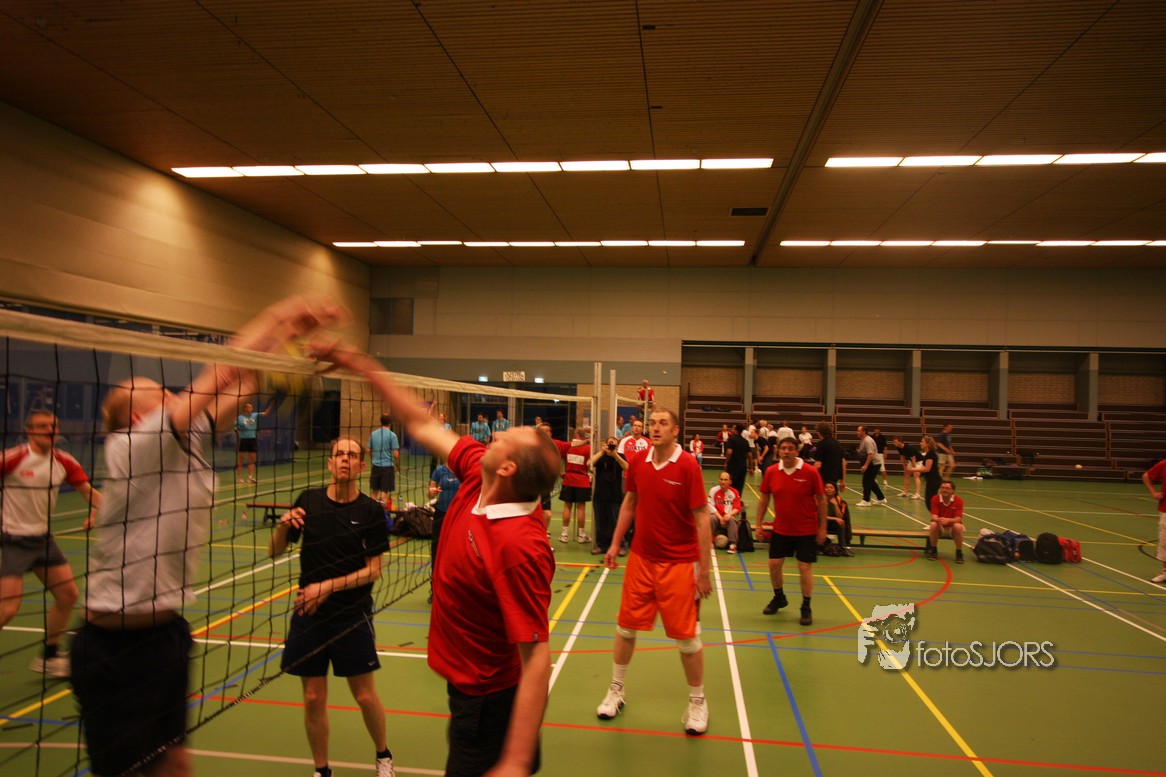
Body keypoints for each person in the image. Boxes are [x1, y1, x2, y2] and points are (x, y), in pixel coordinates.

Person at [71, 296, 342, 777]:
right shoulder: (133, 446)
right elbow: (221, 371)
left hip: (165, 636)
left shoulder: (184, 441)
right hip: (115, 649)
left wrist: (288, 352)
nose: (172, 394)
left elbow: (244, 383)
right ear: (138, 418)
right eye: (159, 393)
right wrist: (280, 316)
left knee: (175, 764)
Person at [318, 343, 558, 777]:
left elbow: (537, 656)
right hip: (465, 686)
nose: (497, 434)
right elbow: (421, 422)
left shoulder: (520, 545)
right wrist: (361, 365)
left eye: (507, 437)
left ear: (507, 469)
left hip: (489, 702)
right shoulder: (477, 473)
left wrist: (515, 760)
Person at [268, 436, 396, 777]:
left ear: (361, 466)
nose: (344, 459)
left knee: (365, 696)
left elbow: (374, 571)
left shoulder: (370, 511)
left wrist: (326, 586)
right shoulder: (309, 501)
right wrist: (282, 526)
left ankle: (383, 755)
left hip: (351, 615)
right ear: (330, 463)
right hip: (309, 614)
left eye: (352, 455)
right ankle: (322, 770)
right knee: (312, 698)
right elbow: (274, 551)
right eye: (339, 454)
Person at [596, 408, 711, 736]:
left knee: (687, 639)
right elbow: (630, 503)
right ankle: (616, 690)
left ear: (675, 430)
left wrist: (704, 571)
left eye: (663, 423)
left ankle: (698, 701)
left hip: (680, 563)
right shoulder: (638, 461)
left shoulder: (687, 465)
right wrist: (614, 543)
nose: (656, 428)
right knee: (625, 628)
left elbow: (702, 518)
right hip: (641, 560)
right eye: (653, 423)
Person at [1, 410, 102, 678]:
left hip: (44, 541)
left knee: (68, 595)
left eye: (53, 426)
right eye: (42, 426)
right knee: (8, 609)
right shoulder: (14, 458)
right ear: (29, 431)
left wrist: (96, 512)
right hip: (13, 540)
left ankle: (49, 657)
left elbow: (90, 494)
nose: (49, 430)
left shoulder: (64, 461)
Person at [756, 437, 827, 626]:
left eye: (790, 448)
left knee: (804, 567)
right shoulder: (771, 472)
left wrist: (822, 528)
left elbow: (821, 500)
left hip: (806, 529)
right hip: (781, 529)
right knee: (774, 564)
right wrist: (759, 524)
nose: (786, 451)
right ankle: (779, 597)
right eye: (783, 448)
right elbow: (764, 498)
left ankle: (806, 606)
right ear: (778, 451)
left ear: (797, 451)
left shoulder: (810, 472)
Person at [428, 456, 461, 602]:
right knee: (437, 551)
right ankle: (434, 589)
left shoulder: (462, 470)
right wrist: (433, 491)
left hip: (459, 514)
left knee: (457, 552)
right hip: (441, 514)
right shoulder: (439, 471)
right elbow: (429, 492)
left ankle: (455, 589)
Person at [590, 437, 627, 556]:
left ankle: (621, 546)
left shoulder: (620, 456)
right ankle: (602, 546)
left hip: (615, 496)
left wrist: (615, 455)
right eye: (609, 443)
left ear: (617, 446)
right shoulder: (601, 456)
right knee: (601, 524)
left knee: (617, 523)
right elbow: (589, 464)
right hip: (599, 495)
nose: (611, 446)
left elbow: (628, 468)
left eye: (613, 444)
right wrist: (601, 452)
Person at [556, 427, 592, 544]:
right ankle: (581, 535)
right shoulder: (588, 448)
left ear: (575, 435)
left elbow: (558, 459)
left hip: (569, 479)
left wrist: (560, 472)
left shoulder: (568, 446)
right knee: (581, 508)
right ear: (584, 436)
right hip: (582, 480)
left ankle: (564, 534)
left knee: (567, 506)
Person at [235, 399, 274, 483]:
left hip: (252, 439)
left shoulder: (255, 415)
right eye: (249, 407)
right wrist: (237, 429)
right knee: (241, 458)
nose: (251, 408)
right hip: (243, 439)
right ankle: (239, 477)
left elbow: (265, 413)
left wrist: (271, 406)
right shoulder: (240, 418)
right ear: (245, 409)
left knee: (252, 458)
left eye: (251, 407)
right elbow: (235, 426)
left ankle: (250, 477)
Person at [927, 480, 965, 563]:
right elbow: (934, 517)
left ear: (953, 491)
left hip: (952, 527)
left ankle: (959, 552)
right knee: (933, 524)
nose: (944, 490)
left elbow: (958, 519)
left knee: (958, 526)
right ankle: (933, 550)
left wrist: (948, 520)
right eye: (942, 488)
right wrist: (940, 520)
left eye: (947, 488)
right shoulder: (935, 498)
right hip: (940, 526)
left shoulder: (958, 501)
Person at [367, 413, 400, 508]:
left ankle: (371, 511)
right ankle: (382, 513)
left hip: (376, 467)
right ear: (390, 422)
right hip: (387, 467)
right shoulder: (392, 435)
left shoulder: (373, 434)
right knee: (383, 494)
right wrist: (397, 466)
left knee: (374, 492)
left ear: (381, 421)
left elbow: (369, 450)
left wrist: (374, 458)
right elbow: (396, 454)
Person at [1141, 459, 1166, 584]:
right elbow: (1146, 475)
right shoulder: (1164, 464)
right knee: (1164, 541)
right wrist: (1153, 492)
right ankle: (1165, 572)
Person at [707, 471, 743, 554]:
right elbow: (710, 505)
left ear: (730, 482)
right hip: (717, 517)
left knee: (732, 519)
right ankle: (709, 541)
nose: (723, 482)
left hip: (728, 518)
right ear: (719, 481)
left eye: (725, 480)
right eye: (721, 479)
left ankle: (733, 544)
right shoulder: (713, 491)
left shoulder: (734, 492)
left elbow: (737, 508)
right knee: (711, 518)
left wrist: (729, 515)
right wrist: (720, 518)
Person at [854, 426, 887, 507]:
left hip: (874, 464)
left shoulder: (867, 440)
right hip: (871, 464)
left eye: (858, 431)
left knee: (866, 481)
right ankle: (881, 498)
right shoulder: (863, 440)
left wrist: (866, 465)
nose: (857, 432)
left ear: (864, 432)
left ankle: (866, 500)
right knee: (871, 482)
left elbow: (871, 454)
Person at [812, 421, 846, 493]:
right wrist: (843, 480)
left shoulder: (821, 444)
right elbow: (843, 462)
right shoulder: (837, 443)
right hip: (834, 480)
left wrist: (810, 476)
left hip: (823, 479)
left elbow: (818, 465)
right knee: (832, 497)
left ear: (819, 432)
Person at [912, 435, 944, 508]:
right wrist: (917, 470)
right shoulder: (928, 454)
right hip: (930, 480)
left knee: (930, 501)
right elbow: (924, 467)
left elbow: (927, 469)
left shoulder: (931, 454)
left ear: (927, 444)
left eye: (922, 442)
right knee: (929, 501)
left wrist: (914, 469)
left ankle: (938, 514)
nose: (920, 443)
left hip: (934, 480)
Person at [723, 424, 750, 495]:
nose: (732, 430)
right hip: (743, 467)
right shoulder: (745, 441)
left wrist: (726, 462)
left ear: (736, 430)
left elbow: (729, 452)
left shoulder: (731, 439)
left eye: (733, 429)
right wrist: (751, 467)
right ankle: (738, 500)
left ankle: (730, 499)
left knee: (730, 485)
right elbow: (750, 455)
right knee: (740, 486)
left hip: (733, 466)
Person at [823, 481, 851, 548]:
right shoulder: (820, 500)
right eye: (827, 487)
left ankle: (842, 546)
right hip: (822, 523)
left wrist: (835, 505)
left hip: (833, 524)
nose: (829, 489)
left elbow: (840, 517)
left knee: (841, 523)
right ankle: (819, 545)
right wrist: (835, 518)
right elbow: (820, 516)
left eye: (831, 488)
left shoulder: (841, 502)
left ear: (835, 491)